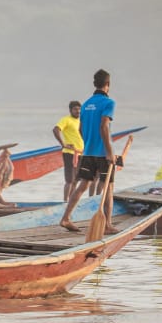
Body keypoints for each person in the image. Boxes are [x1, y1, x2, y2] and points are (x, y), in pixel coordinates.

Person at [60, 69, 120, 234]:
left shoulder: (86, 104)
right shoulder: (109, 103)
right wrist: (109, 152)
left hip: (88, 152)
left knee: (82, 185)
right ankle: (107, 225)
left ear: (95, 84)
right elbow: (104, 126)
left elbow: (80, 129)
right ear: (107, 84)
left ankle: (66, 218)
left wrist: (88, 143)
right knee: (108, 188)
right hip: (103, 153)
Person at [53, 100, 84, 201]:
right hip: (70, 153)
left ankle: (71, 200)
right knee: (69, 180)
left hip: (81, 153)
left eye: (79, 109)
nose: (78, 111)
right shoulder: (66, 119)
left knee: (76, 180)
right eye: (75, 109)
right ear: (70, 110)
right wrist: (63, 144)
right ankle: (65, 201)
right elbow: (56, 130)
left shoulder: (81, 121)